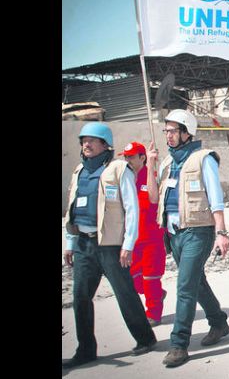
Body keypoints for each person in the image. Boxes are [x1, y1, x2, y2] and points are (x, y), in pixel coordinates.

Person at [63, 123, 157, 369]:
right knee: (81, 296)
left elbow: (132, 208)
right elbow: (72, 208)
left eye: (93, 140)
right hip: (84, 244)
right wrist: (70, 242)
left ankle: (145, 338)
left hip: (111, 246)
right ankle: (86, 349)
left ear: (105, 144)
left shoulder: (118, 169)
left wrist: (128, 244)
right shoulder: (79, 171)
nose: (87, 144)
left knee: (125, 292)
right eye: (84, 140)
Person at [157, 109, 229, 367]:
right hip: (173, 233)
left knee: (185, 286)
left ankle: (179, 344)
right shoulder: (167, 163)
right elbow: (157, 199)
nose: (168, 135)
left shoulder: (204, 159)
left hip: (198, 232)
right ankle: (219, 323)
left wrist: (221, 232)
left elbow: (216, 198)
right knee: (197, 282)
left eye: (173, 131)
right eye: (166, 130)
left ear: (186, 132)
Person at [119, 141, 167, 327]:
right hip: (132, 240)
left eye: (131, 156)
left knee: (150, 278)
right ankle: (158, 294)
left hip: (152, 239)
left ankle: (153, 313)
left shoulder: (151, 177)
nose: (128, 160)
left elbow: (154, 198)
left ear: (142, 157)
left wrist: (150, 167)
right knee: (134, 279)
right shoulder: (125, 178)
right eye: (126, 157)